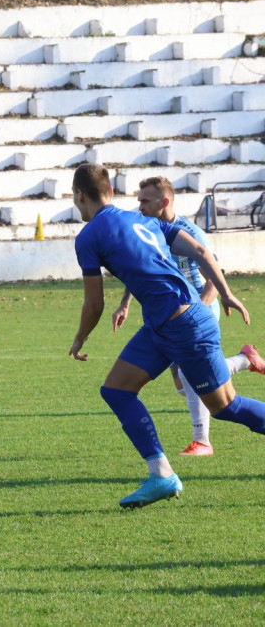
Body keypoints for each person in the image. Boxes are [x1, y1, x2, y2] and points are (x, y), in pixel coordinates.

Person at [69, 163, 265, 508]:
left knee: (226, 407)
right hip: (162, 325)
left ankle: (162, 474)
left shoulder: (88, 236)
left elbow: (94, 303)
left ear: (80, 196)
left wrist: (80, 337)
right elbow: (202, 252)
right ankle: (161, 475)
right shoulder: (147, 221)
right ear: (111, 192)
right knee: (116, 390)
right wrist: (227, 292)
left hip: (184, 326)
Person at [112, 176, 265, 456]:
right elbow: (143, 270)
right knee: (185, 385)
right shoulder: (148, 229)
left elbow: (211, 277)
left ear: (164, 201)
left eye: (145, 200)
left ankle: (202, 441)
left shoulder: (188, 231)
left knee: (191, 376)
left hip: (195, 312)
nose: (140, 206)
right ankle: (245, 360)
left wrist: (198, 313)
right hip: (169, 315)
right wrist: (125, 303)